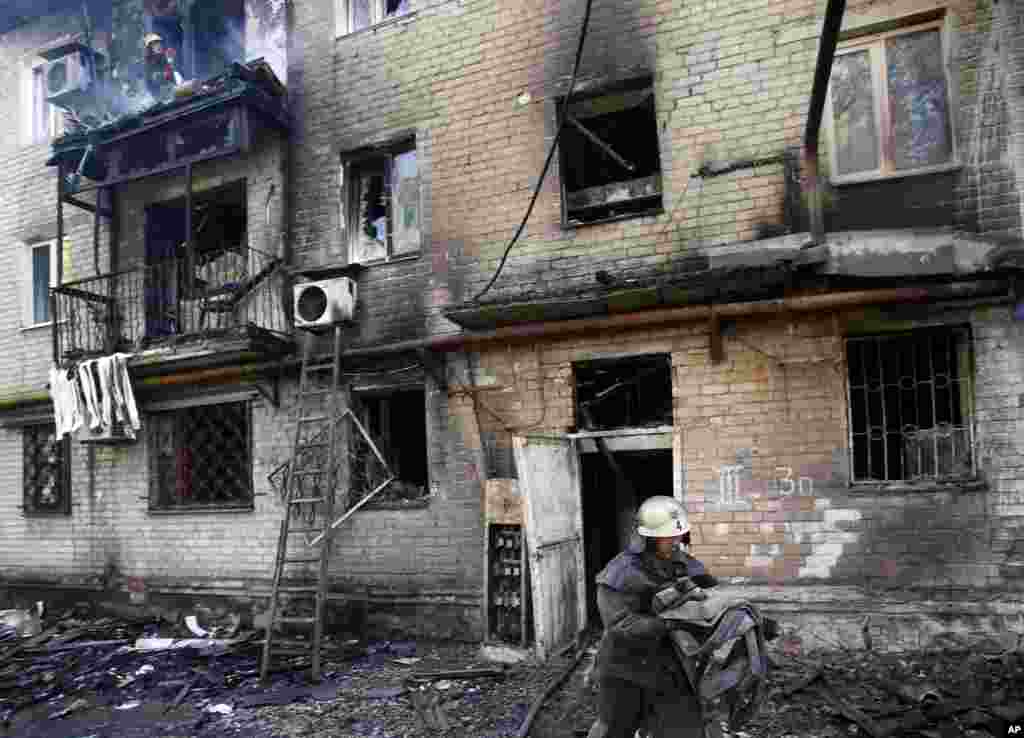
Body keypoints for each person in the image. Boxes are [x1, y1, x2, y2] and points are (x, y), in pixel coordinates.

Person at [586, 495, 715, 738]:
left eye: (679, 535)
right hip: (623, 668)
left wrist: (703, 598)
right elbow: (620, 625)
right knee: (613, 729)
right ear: (648, 538)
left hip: (668, 665)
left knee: (684, 730)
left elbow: (708, 588)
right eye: (669, 537)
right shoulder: (618, 574)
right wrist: (669, 623)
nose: (676, 541)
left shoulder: (679, 561)